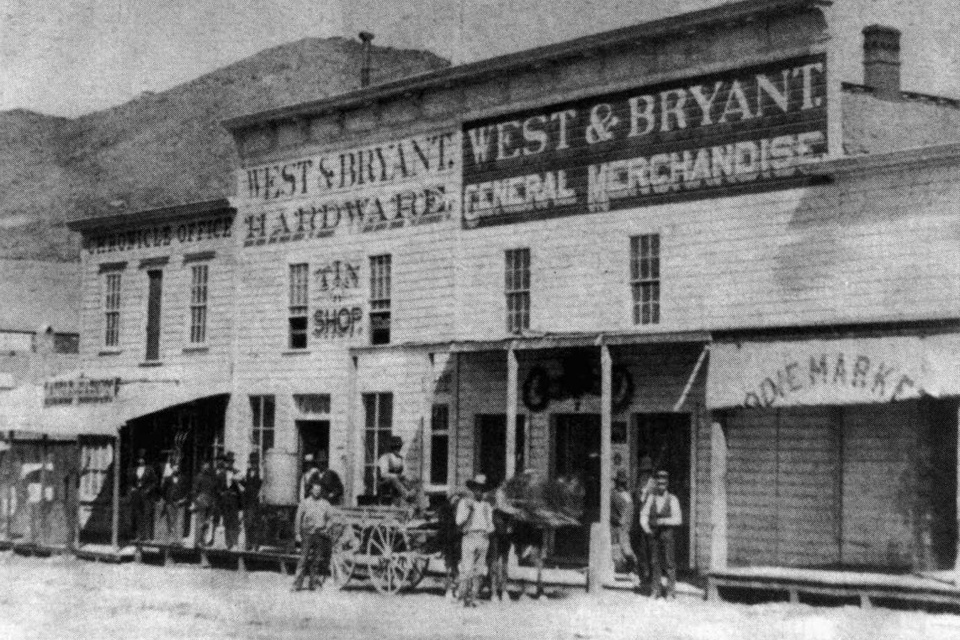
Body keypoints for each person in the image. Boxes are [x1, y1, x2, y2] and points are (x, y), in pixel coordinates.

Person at [639, 470, 682, 599]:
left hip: (667, 534)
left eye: (663, 483)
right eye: (659, 483)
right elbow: (643, 515)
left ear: (667, 484)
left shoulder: (673, 499)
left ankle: (670, 592)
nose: (661, 486)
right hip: (654, 535)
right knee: (654, 562)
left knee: (669, 563)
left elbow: (678, 519)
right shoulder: (651, 498)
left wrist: (664, 521)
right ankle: (655, 590)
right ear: (656, 484)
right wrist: (646, 528)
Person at [456, 474, 495, 607]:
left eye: (482, 489)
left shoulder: (487, 505)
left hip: (483, 538)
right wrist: (468, 510)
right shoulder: (464, 503)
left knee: (479, 570)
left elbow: (490, 524)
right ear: (473, 489)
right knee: (467, 569)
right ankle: (463, 597)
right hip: (469, 537)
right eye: (477, 488)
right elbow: (458, 521)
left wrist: (489, 529)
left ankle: (473, 596)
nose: (479, 491)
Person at [292, 480, 333, 592]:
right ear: (311, 490)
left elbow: (330, 518)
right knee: (303, 559)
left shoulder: (325, 504)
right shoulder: (304, 503)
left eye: (319, 490)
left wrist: (327, 528)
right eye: (315, 490)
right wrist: (297, 534)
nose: (317, 492)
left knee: (316, 561)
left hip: (319, 535)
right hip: (307, 534)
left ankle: (313, 584)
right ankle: (297, 585)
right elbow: (298, 518)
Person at [631, 456, 655, 591]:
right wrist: (640, 497)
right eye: (643, 471)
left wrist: (647, 495)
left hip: (650, 523)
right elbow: (636, 502)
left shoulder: (653, 484)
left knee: (651, 550)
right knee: (641, 550)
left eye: (647, 471)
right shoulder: (639, 483)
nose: (645, 474)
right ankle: (642, 576)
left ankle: (651, 577)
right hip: (639, 523)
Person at [127, 449, 158, 542]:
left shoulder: (149, 469)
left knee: (147, 514)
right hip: (137, 494)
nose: (141, 461)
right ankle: (138, 536)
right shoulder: (134, 470)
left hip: (146, 494)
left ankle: (148, 537)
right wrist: (132, 488)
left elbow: (155, 482)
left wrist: (148, 489)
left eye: (142, 459)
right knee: (137, 514)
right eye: (139, 459)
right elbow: (130, 482)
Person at [611, 468, 636, 578]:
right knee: (623, 551)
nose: (622, 485)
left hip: (629, 527)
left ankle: (632, 571)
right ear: (616, 483)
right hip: (618, 528)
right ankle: (626, 571)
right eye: (620, 483)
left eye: (623, 483)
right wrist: (618, 520)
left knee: (628, 549)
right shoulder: (613, 494)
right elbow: (609, 513)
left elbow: (631, 511)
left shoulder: (628, 494)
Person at [160, 461, 189, 545]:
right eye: (175, 467)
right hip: (170, 502)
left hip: (179, 502)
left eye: (178, 467)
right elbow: (163, 490)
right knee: (170, 520)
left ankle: (178, 540)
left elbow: (186, 490)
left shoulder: (183, 478)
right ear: (172, 468)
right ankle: (170, 540)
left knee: (179, 521)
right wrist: (167, 499)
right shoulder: (168, 479)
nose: (177, 468)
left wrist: (183, 499)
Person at [217, 452, 242, 549]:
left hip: (234, 501)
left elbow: (243, 486)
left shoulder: (237, 472)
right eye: (227, 462)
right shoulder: (221, 474)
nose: (229, 464)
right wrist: (221, 493)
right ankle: (228, 543)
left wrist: (238, 480)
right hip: (225, 501)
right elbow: (217, 488)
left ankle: (235, 543)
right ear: (225, 463)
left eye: (231, 462)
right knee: (226, 522)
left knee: (234, 522)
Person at [191, 461, 218, 548]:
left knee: (207, 522)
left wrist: (213, 501)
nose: (206, 468)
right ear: (202, 467)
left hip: (209, 501)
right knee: (200, 521)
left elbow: (213, 490)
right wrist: (196, 500)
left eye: (208, 467)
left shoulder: (211, 478)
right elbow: (194, 490)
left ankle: (203, 540)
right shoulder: (198, 477)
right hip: (201, 500)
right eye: (205, 466)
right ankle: (198, 541)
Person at [241, 452, 263, 551]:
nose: (253, 464)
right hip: (247, 500)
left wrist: (260, 494)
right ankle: (248, 544)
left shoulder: (260, 472)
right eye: (252, 462)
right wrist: (240, 481)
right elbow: (246, 484)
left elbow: (262, 485)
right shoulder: (248, 471)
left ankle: (255, 544)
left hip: (255, 500)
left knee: (255, 523)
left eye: (255, 463)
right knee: (247, 523)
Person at [376, 436, 406, 505]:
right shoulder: (385, 457)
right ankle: (406, 495)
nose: (397, 449)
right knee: (394, 479)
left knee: (412, 481)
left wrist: (403, 476)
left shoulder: (400, 458)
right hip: (384, 482)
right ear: (391, 447)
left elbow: (404, 472)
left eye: (399, 447)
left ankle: (420, 504)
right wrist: (396, 476)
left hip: (398, 481)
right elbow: (383, 474)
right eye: (395, 447)